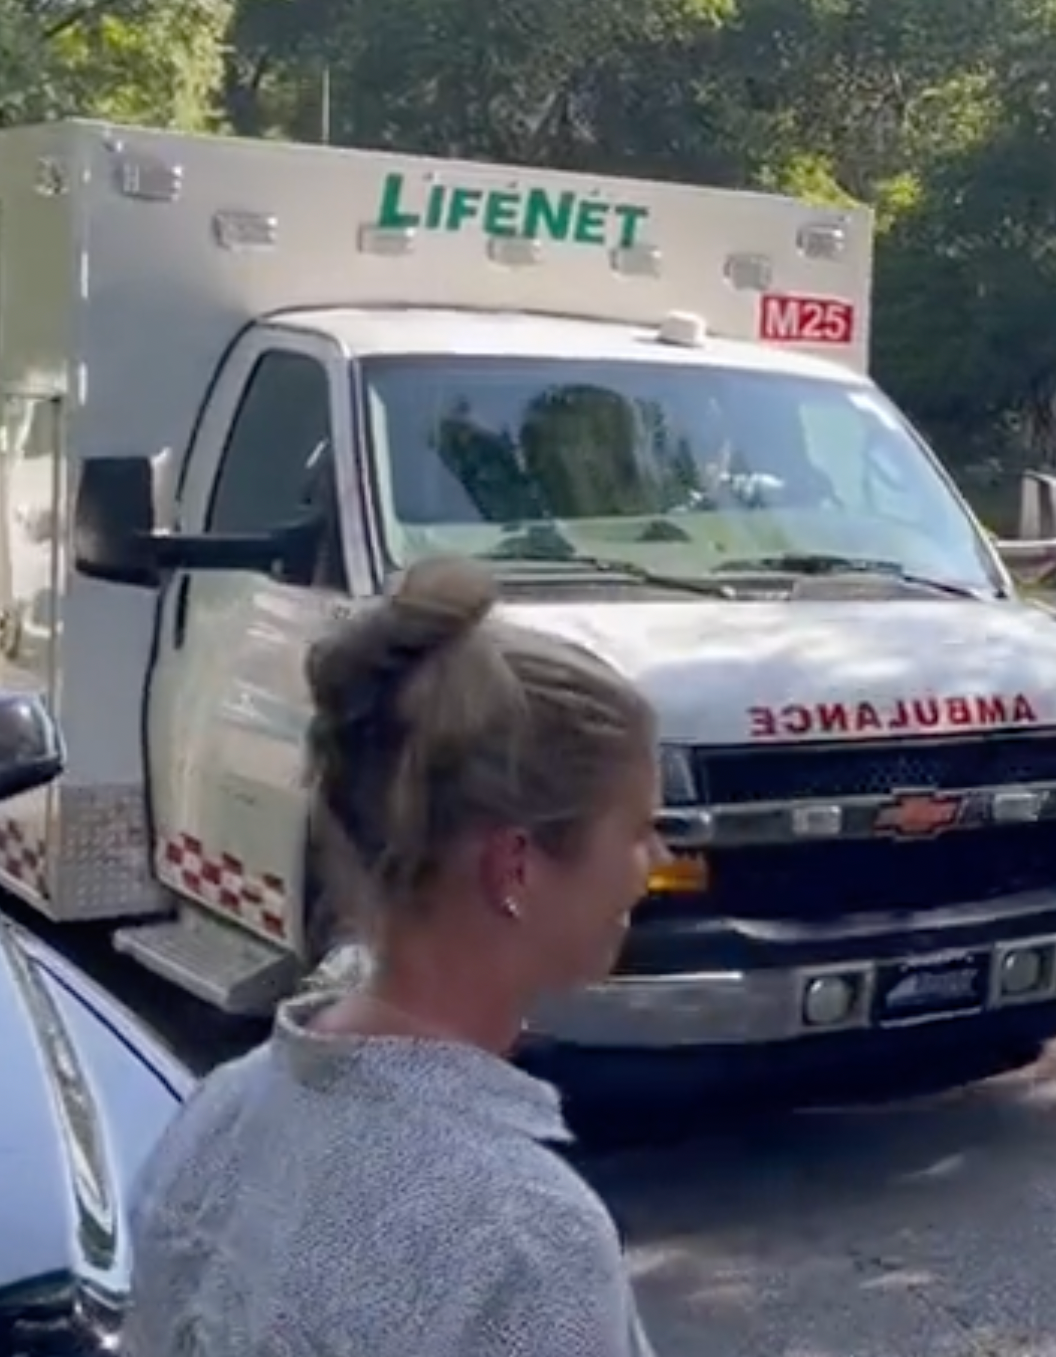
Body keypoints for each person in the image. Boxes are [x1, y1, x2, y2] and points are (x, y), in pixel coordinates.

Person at [123, 557, 666, 1356]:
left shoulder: (218, 1117)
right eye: (636, 831)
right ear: (515, 866)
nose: (654, 861)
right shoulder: (524, 1240)